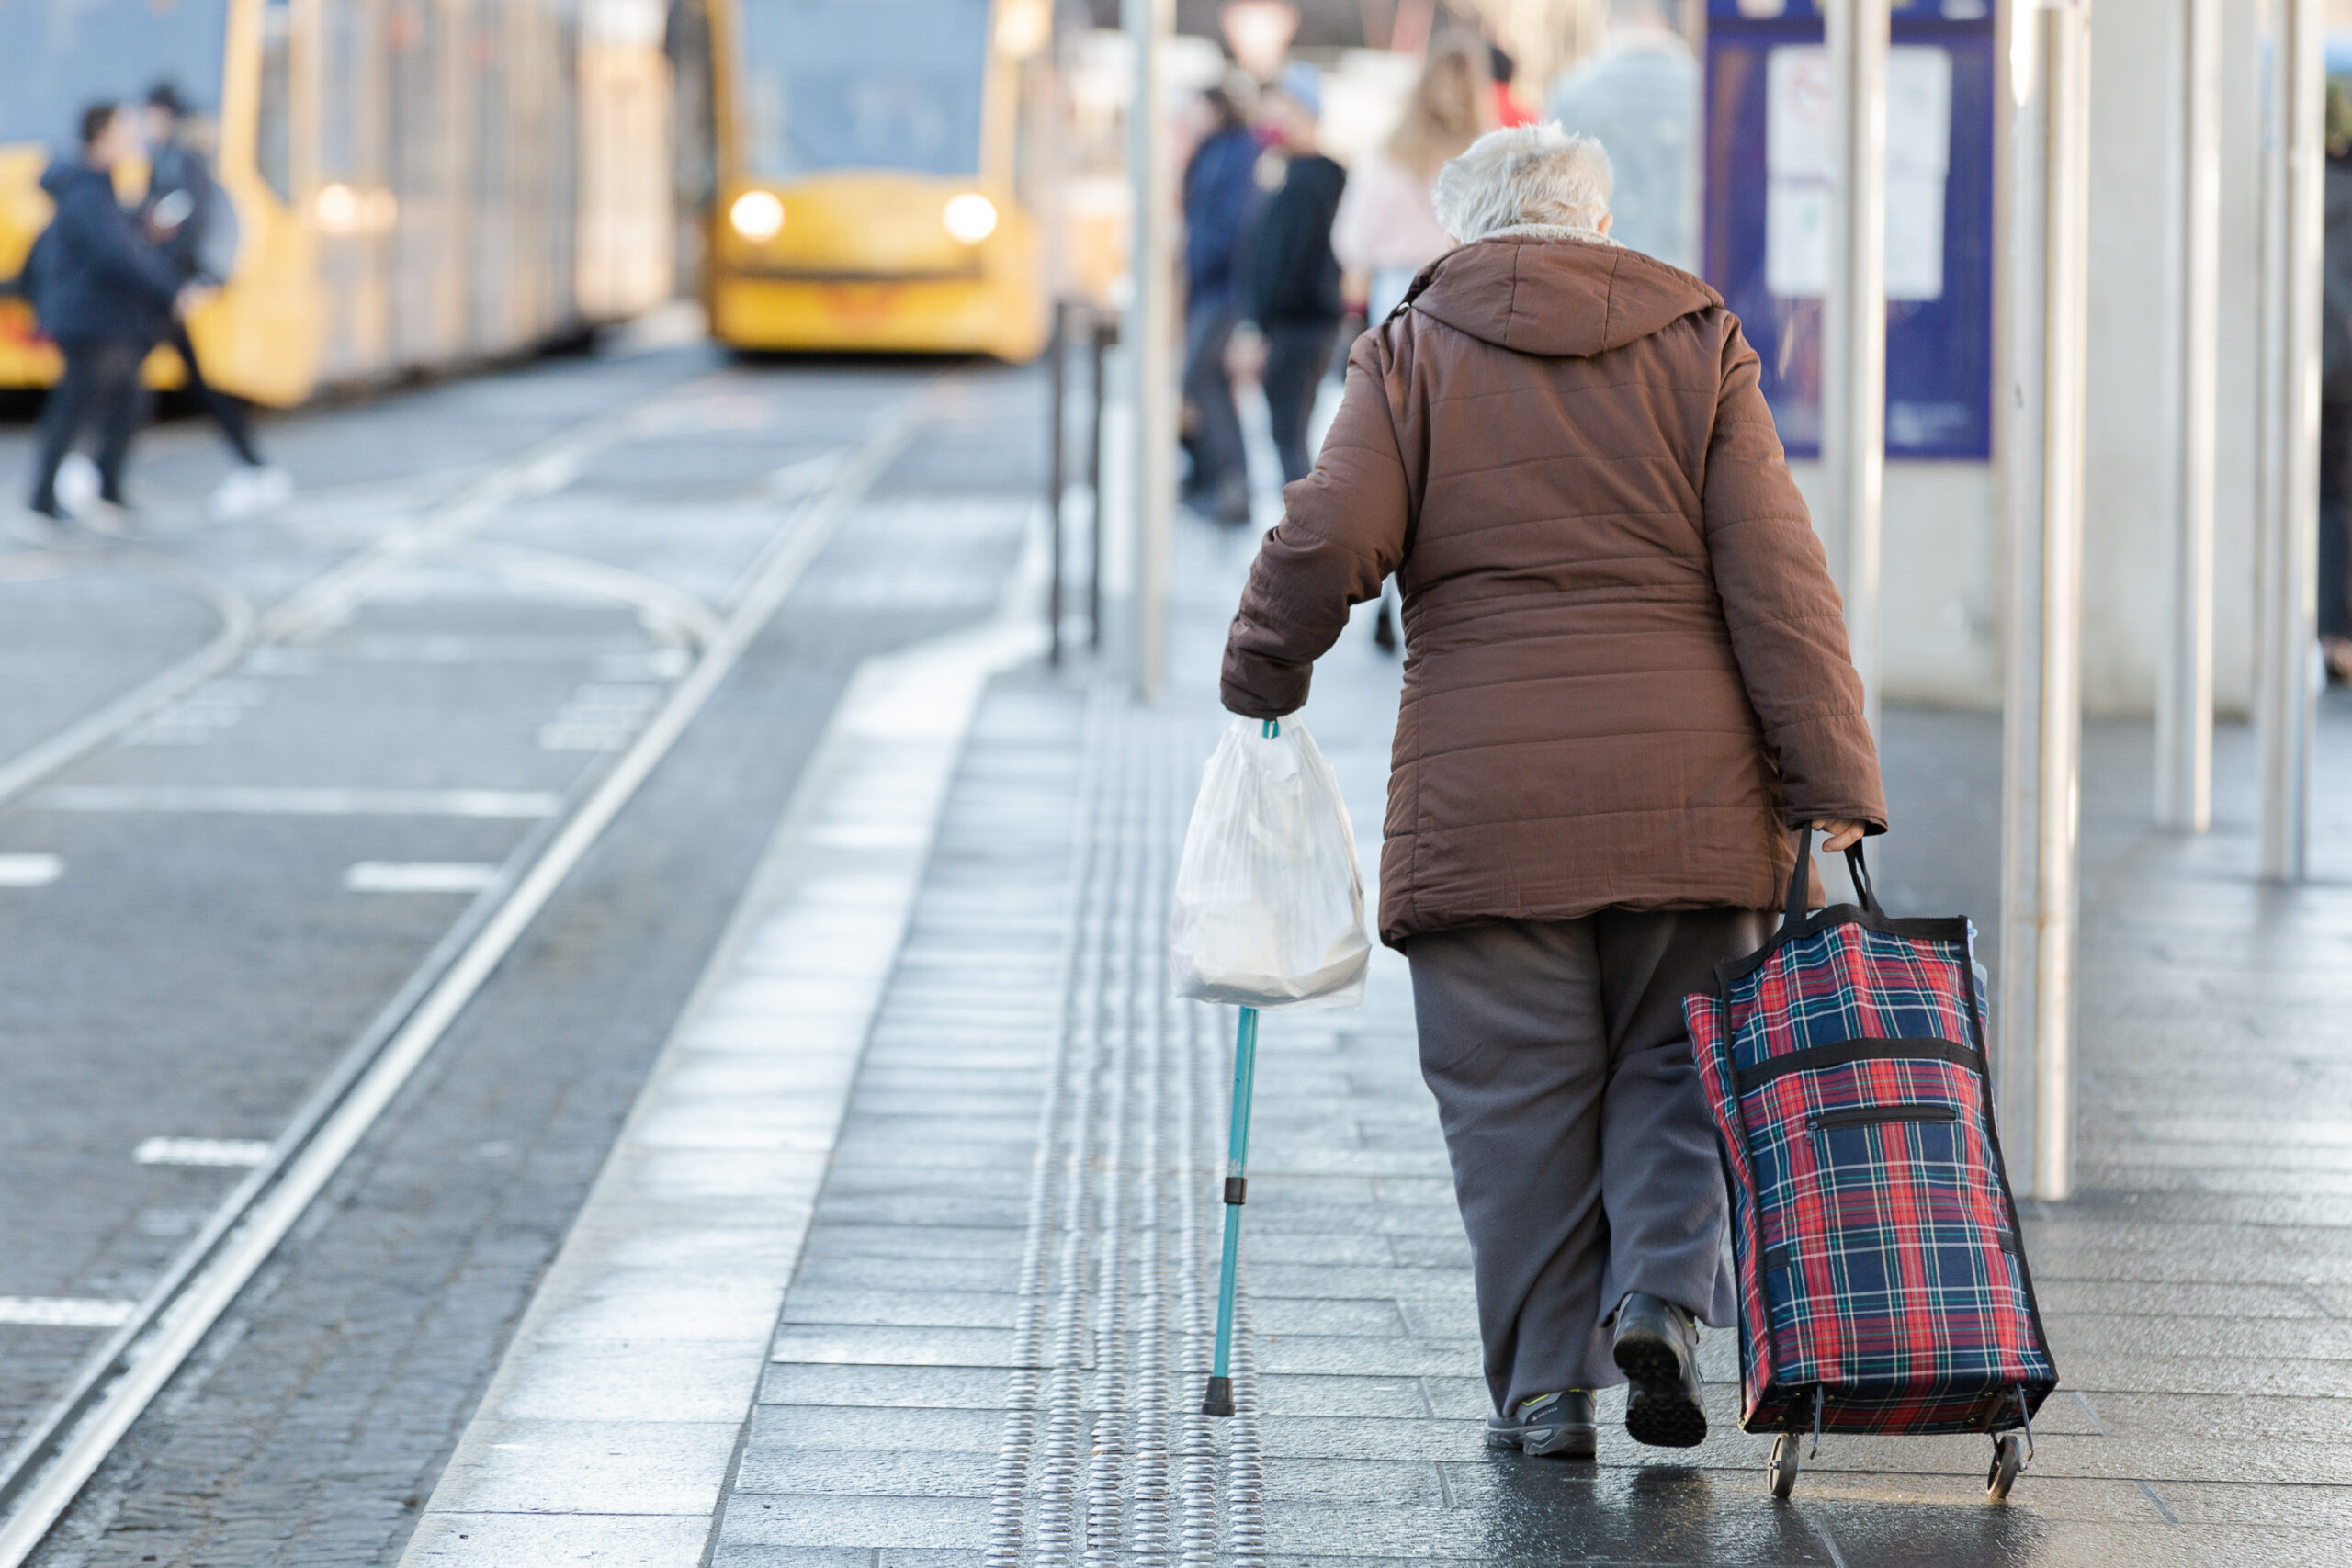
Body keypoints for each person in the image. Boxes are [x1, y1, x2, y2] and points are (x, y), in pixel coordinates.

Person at [1219, 125, 1885, 1459]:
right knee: (1679, 1067)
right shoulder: (1699, 342)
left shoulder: (1414, 347)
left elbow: (1333, 531)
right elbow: (1780, 579)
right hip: (1693, 795)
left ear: (1463, 227)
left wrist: (1262, 672)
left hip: (1488, 800)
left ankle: (1546, 1386)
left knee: (1512, 1092)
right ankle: (1656, 1291)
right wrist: (1832, 782)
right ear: (1596, 220)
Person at [1330, 37, 1493, 651]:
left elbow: (1351, 242)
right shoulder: (1484, 157)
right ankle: (1438, 594)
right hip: (1468, 307)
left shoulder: (1386, 157)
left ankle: (1389, 589)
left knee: (1396, 457)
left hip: (1397, 308)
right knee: (1457, 462)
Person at [23, 102, 194, 525]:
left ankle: (103, 488)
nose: (135, 142)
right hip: (86, 318)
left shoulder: (98, 189)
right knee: (76, 406)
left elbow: (121, 245)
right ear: (103, 137)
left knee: (126, 400)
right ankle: (44, 500)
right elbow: (118, 255)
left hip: (101, 317)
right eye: (126, 133)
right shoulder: (86, 192)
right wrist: (172, 290)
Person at [143, 82, 291, 521]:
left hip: (173, 285)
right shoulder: (172, 155)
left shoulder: (180, 158)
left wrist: (181, 281)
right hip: (169, 285)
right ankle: (254, 466)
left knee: (129, 375)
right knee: (133, 377)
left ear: (163, 114)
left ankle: (256, 468)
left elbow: (192, 221)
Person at [1239, 64, 1347, 491]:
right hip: (1296, 323)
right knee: (1287, 435)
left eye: (1283, 106)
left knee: (1290, 436)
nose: (1273, 117)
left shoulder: (1315, 178)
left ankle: (1304, 533)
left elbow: (1292, 261)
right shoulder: (1289, 172)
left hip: (1300, 325)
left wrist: (1261, 326)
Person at [1544, 0, 1700, 272]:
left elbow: (1547, 208)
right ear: (1665, 17)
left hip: (1599, 285)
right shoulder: (1704, 91)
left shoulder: (1569, 94)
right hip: (1692, 285)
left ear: (1608, 20)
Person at [1180, 80, 1262, 525]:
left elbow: (1232, 223)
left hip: (1224, 288)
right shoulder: (1211, 151)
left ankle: (1231, 483)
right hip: (1207, 287)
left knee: (1202, 377)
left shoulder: (1234, 151)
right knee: (1200, 381)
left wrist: (1202, 252)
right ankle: (1215, 481)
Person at [2324, 82, 2352, 684]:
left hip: (2309, 366)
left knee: (2325, 501)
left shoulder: (2301, 192)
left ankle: (2331, 634)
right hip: (2343, 366)